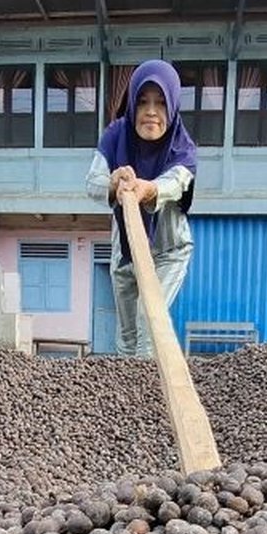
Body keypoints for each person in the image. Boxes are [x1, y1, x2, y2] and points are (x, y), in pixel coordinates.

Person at [86, 59, 198, 357]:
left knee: (149, 326)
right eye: (143, 102)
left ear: (172, 107)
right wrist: (113, 183)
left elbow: (176, 183)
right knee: (126, 338)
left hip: (167, 252)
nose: (151, 111)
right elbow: (92, 184)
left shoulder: (182, 148)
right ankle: (126, 401)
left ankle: (153, 399)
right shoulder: (115, 135)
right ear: (132, 103)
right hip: (125, 252)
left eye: (161, 103)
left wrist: (148, 189)